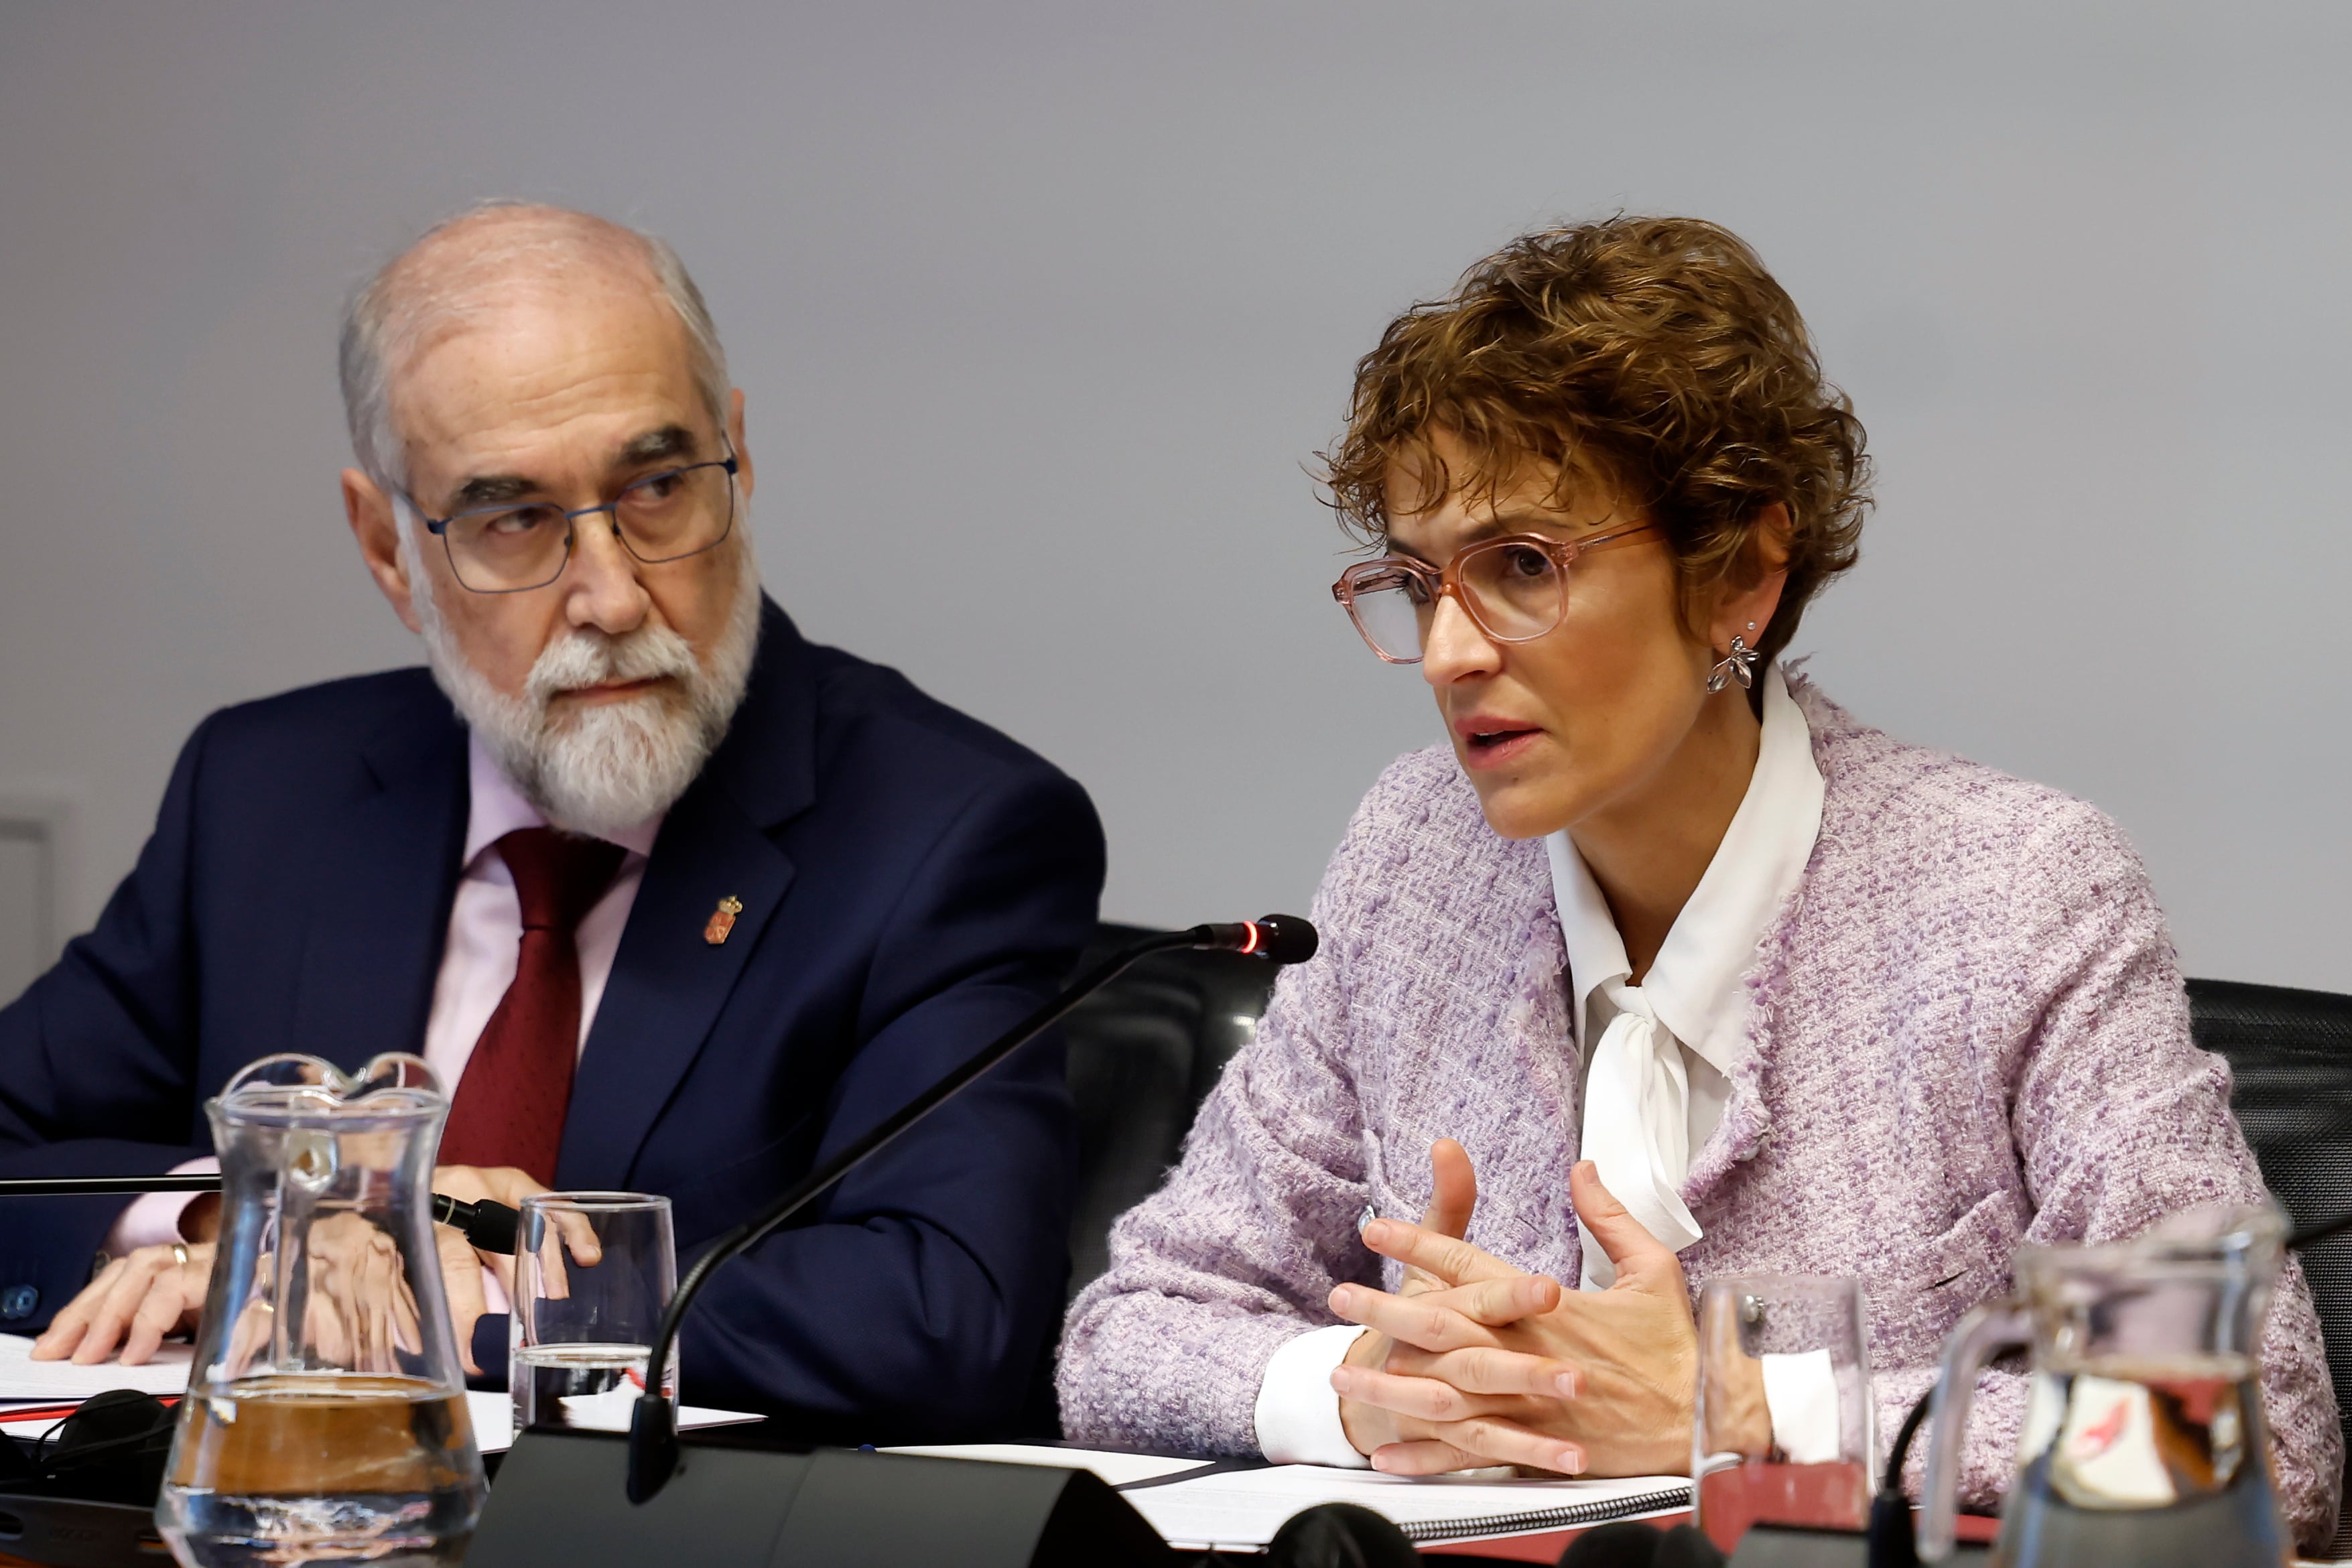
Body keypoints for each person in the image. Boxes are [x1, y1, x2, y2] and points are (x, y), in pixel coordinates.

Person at [1055, 216, 2341, 1546]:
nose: (1447, 652)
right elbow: (1128, 1333)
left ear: (1739, 573)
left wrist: (1739, 1409)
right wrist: (1358, 1392)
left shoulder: (2016, 896)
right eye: (1417, 580)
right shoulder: (1414, 860)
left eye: (1520, 567)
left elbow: (2250, 1429)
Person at [0, 201, 1104, 1443]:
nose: (612, 592)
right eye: (512, 517)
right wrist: (254, 1227)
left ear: (736, 454)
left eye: (657, 485)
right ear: (384, 548)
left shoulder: (945, 832)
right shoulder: (268, 792)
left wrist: (428, 1287)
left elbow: (943, 1317)